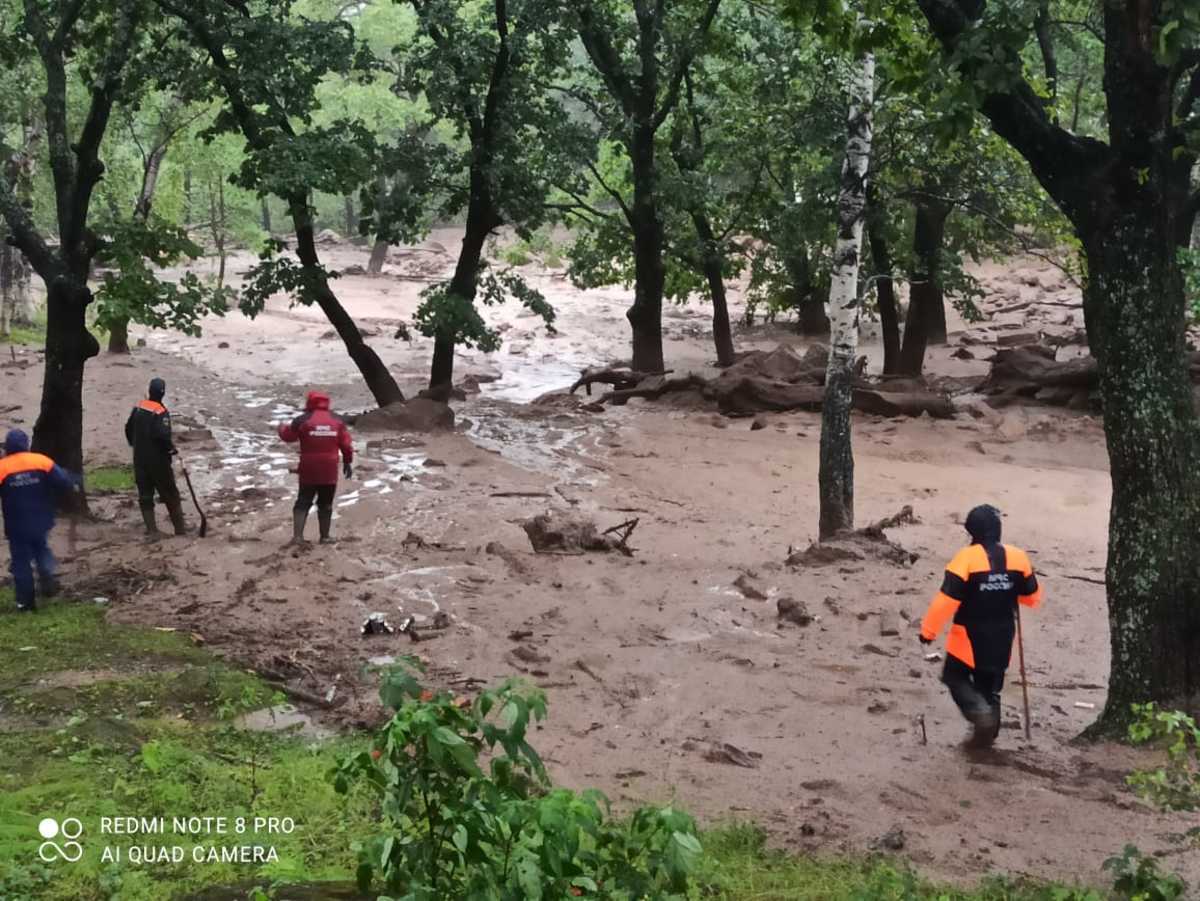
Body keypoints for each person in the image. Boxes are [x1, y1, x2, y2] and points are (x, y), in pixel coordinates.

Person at [919, 504, 1043, 748]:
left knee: (954, 677)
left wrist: (928, 631)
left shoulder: (965, 559)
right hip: (1003, 636)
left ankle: (979, 713)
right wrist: (1007, 586)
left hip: (968, 637)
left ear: (972, 531)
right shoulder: (1018, 557)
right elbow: (1032, 598)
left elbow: (946, 601)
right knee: (990, 689)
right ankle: (984, 739)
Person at [0, 429, 79, 612]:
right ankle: (48, 586)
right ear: (26, 444)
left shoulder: (3, 467)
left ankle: (26, 603)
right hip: (41, 519)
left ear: (8, 447)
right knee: (41, 550)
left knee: (21, 562)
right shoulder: (41, 461)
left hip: (16, 524)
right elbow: (63, 481)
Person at [278, 391, 353, 544]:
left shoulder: (302, 420)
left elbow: (288, 437)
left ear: (309, 402)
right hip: (329, 468)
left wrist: (281, 428)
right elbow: (346, 445)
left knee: (303, 500)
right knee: (326, 503)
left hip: (309, 467)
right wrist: (347, 462)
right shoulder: (337, 420)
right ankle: (325, 537)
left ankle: (298, 537)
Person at [125, 377, 187, 537]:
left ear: (149, 390)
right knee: (170, 493)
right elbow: (162, 436)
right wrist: (171, 450)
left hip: (139, 459)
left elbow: (128, 428)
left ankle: (152, 530)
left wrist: (134, 445)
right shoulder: (161, 412)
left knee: (145, 494)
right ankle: (180, 529)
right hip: (158, 462)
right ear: (163, 393)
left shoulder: (139, 407)